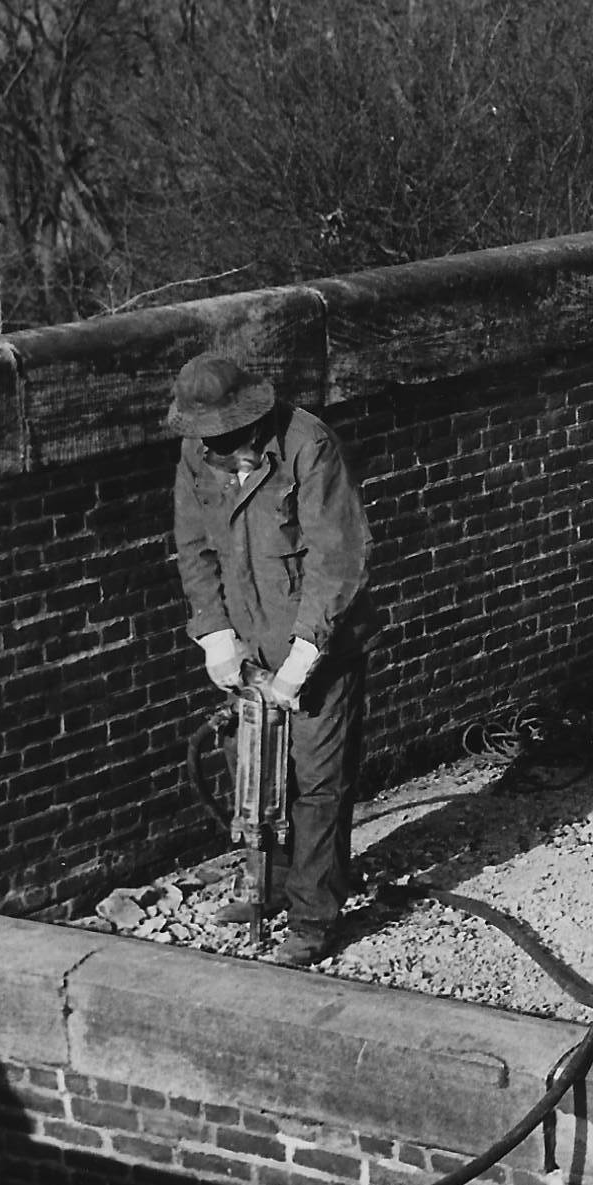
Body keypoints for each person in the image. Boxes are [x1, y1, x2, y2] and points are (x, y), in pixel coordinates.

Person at [167, 353, 372, 967]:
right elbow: (194, 548)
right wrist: (216, 635)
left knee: (317, 785)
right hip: (249, 645)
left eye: (229, 439)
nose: (220, 451)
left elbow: (336, 560)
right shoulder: (196, 454)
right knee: (254, 773)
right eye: (209, 441)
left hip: (319, 648)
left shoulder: (309, 446)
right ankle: (271, 886)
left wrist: (299, 663)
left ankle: (313, 918)